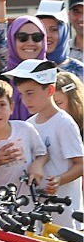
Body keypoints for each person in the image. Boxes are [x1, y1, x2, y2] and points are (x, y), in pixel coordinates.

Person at [7, 60, 83, 224]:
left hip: (64, 215)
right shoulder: (29, 124)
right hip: (38, 213)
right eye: (21, 94)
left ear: (50, 90)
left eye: (30, 93)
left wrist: (59, 180)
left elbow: (80, 164)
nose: (25, 100)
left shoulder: (64, 123)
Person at [0, 79, 45, 194]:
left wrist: (37, 165)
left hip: (25, 203)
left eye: (2, 104)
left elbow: (42, 153)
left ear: (11, 107)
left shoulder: (25, 129)